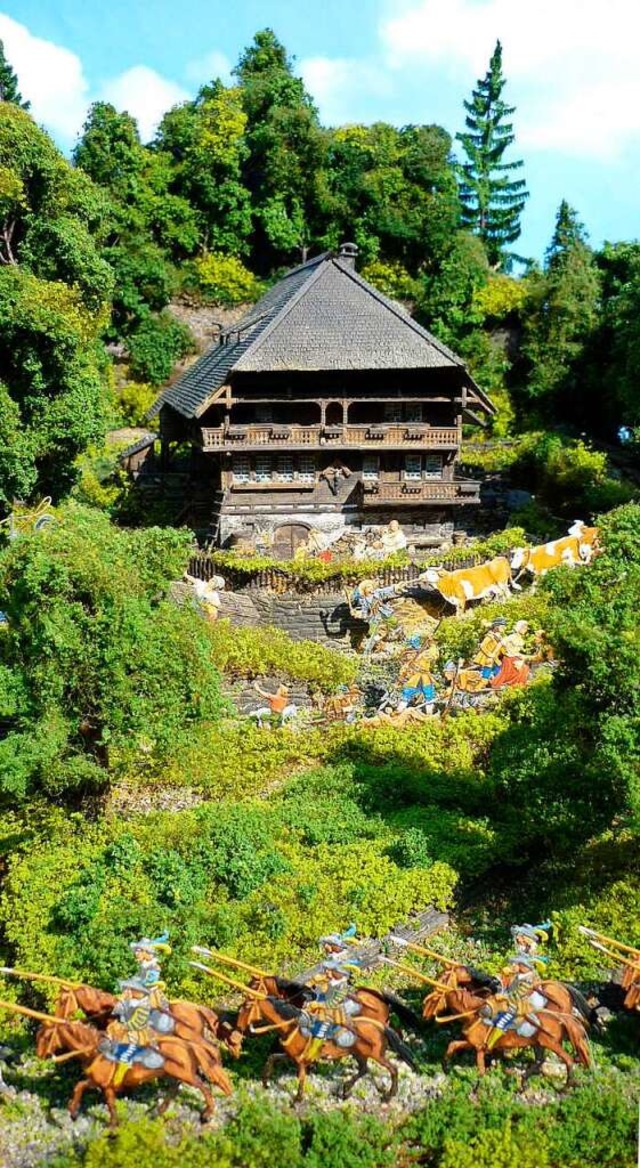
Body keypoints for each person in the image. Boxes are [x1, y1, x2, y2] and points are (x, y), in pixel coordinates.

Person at [99, 934, 173, 1084]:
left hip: (150, 998)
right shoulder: (142, 966)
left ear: (147, 952)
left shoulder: (154, 967)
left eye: (139, 950)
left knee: (139, 1021)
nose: (136, 953)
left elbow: (146, 985)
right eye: (137, 950)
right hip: (139, 995)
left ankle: (146, 1048)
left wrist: (130, 995)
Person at [398, 636, 439, 713]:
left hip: (424, 678)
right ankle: (399, 711)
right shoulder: (412, 660)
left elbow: (434, 655)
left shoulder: (423, 655)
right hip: (414, 679)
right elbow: (404, 671)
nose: (409, 655)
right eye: (408, 654)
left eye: (411, 653)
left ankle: (429, 714)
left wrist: (432, 644)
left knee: (429, 694)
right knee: (407, 693)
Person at [490, 620, 531, 689]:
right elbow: (501, 643)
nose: (525, 630)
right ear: (519, 628)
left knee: (525, 668)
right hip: (509, 659)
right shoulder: (512, 637)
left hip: (516, 658)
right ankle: (507, 685)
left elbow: (517, 651)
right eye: (523, 628)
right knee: (521, 669)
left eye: (526, 628)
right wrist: (494, 653)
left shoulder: (520, 639)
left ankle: (517, 686)